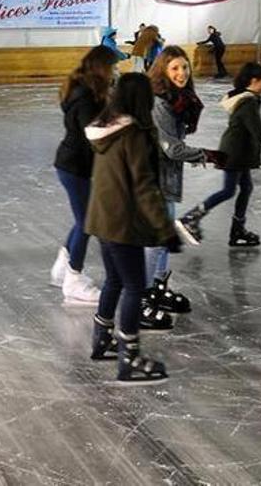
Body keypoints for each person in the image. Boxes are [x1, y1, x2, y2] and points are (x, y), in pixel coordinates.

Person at [84, 72, 176, 385]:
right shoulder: (132, 134)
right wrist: (165, 229)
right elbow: (144, 186)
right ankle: (130, 357)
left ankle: (101, 339)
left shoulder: (106, 129)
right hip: (123, 222)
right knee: (135, 286)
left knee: (114, 280)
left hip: (101, 219)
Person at [143, 46, 222, 322]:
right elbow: (172, 149)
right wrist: (208, 155)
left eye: (185, 67)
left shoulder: (176, 98)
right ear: (163, 70)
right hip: (153, 176)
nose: (181, 73)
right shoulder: (160, 102)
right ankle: (142, 298)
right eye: (174, 68)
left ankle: (157, 288)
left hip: (167, 175)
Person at [179, 62, 261, 247]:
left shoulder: (245, 97)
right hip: (235, 153)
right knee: (228, 191)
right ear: (254, 81)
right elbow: (259, 133)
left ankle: (237, 230)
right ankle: (190, 218)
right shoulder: (248, 102)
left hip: (241, 152)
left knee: (246, 188)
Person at [51, 46, 120, 304]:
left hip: (74, 164)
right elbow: (95, 134)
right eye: (112, 67)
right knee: (88, 222)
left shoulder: (83, 89)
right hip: (75, 166)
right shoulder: (85, 96)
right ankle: (73, 279)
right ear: (101, 67)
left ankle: (64, 266)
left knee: (84, 218)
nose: (115, 72)